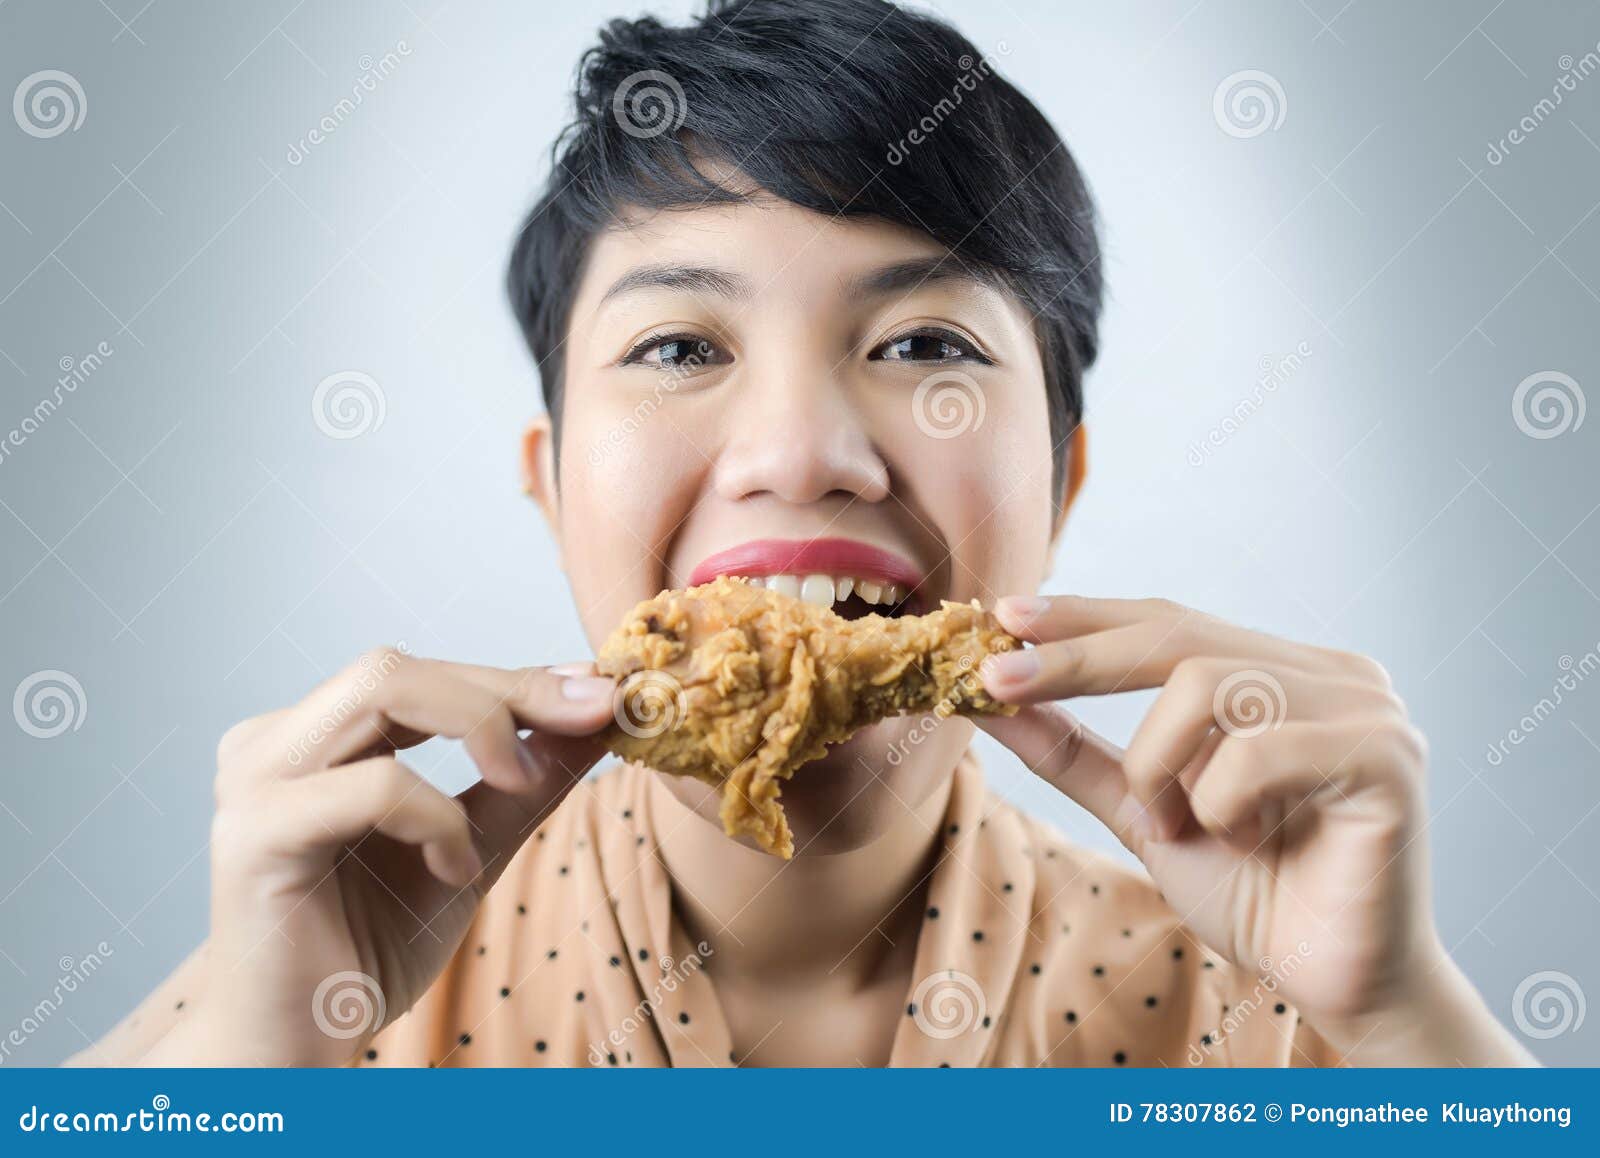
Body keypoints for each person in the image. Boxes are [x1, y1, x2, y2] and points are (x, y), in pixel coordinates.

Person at [73, 0, 1532, 1068]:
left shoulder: (1274, 1027)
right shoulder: (310, 985)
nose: (800, 455)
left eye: (924, 346)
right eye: (678, 347)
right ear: (552, 481)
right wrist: (253, 1060)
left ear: (1061, 477)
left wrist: (1404, 1018)